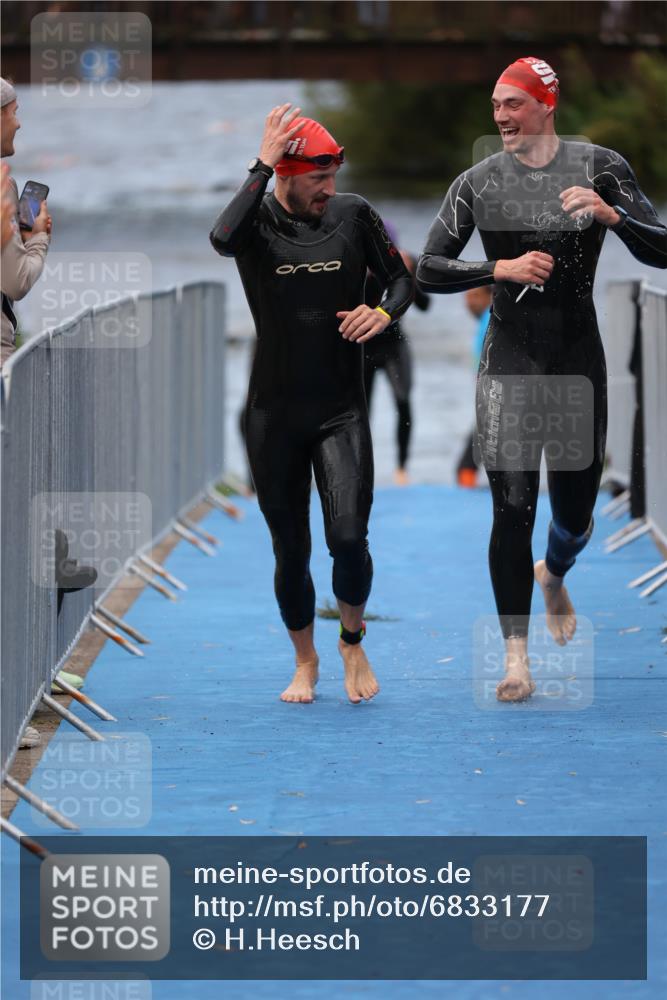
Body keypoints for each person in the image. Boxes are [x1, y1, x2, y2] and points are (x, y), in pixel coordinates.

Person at [418, 56, 666, 702]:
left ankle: (552, 573)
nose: (501, 116)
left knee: (575, 514)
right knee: (511, 506)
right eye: (495, 105)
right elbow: (428, 268)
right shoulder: (477, 182)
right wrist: (496, 269)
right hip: (509, 357)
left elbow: (663, 247)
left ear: (545, 105)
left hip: (576, 358)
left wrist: (613, 217)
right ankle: (515, 659)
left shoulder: (601, 168)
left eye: (514, 104)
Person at [210, 105, 413, 704]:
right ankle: (305, 660)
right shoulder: (254, 224)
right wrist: (259, 164)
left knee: (348, 537)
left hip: (339, 410)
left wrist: (382, 313)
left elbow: (402, 280)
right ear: (286, 174)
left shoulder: (353, 214)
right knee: (290, 550)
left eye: (334, 175)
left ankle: (352, 639)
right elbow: (221, 239)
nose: (330, 187)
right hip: (272, 414)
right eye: (318, 177)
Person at [363, 224, 430, 485]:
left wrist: (410, 275)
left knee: (403, 401)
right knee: (362, 409)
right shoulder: (356, 264)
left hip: (394, 346)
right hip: (364, 347)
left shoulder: (401, 264)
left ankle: (402, 467)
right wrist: (366, 276)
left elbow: (425, 305)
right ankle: (362, 465)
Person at [1, 77, 52, 368]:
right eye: (14, 112)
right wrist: (37, 239)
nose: (18, 124)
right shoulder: (1, 187)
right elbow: (16, 281)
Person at [455, 285, 492, 487]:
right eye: (467, 297)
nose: (470, 302)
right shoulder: (486, 318)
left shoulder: (492, 317)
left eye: (476, 296)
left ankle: (465, 480)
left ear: (491, 296)